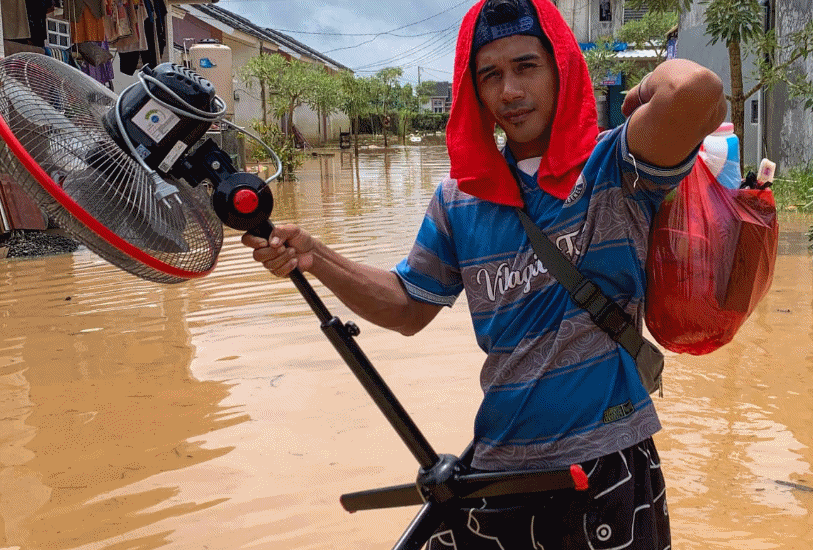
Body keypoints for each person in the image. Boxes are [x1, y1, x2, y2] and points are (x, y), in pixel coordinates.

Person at [242, 0, 726, 547]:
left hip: (604, 464)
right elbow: (407, 307)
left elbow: (695, 91)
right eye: (490, 75)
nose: (509, 91)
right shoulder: (460, 199)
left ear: (561, 68)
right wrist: (316, 258)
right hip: (498, 468)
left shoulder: (617, 164)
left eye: (526, 66)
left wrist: (632, 97)